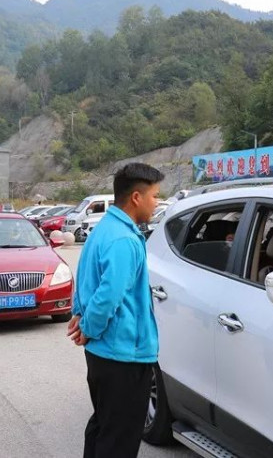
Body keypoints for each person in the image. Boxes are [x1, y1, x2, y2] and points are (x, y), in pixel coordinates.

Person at [67, 162, 164, 458]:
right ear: (136, 197)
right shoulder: (123, 239)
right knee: (119, 439)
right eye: (155, 196)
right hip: (123, 356)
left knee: (103, 427)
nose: (156, 202)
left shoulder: (104, 230)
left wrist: (80, 313)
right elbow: (109, 295)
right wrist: (87, 327)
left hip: (103, 354)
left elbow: (85, 277)